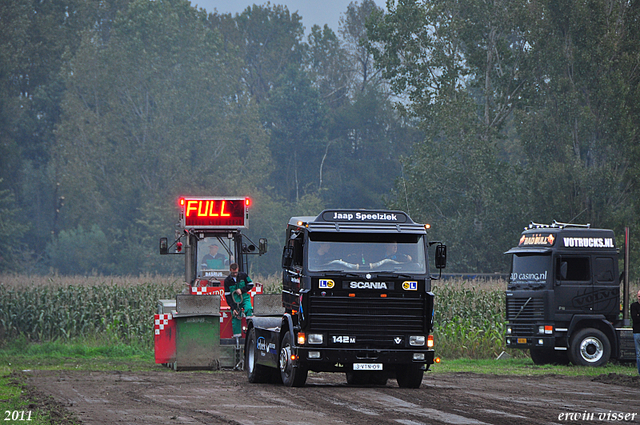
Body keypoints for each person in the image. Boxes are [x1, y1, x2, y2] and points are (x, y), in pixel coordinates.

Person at [224, 263, 254, 338]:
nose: (235, 274)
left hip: (244, 298)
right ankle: (237, 337)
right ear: (230, 270)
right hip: (235, 301)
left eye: (236, 272)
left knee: (249, 309)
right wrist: (233, 308)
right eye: (233, 273)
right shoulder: (227, 281)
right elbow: (228, 296)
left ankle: (251, 329)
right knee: (235, 316)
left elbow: (251, 284)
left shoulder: (243, 275)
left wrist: (242, 290)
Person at [632, 289, 640, 375]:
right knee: (638, 354)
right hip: (637, 332)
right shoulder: (633, 306)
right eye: (639, 296)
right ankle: (639, 372)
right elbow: (634, 318)